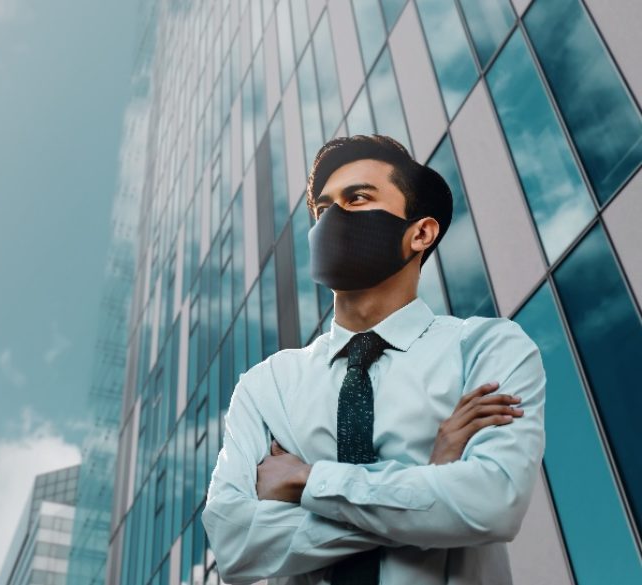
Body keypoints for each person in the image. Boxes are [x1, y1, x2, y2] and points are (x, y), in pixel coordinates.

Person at [200, 134, 546, 585]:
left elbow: (492, 504)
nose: (332, 220)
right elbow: (234, 544)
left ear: (420, 232)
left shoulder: (487, 347)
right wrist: (429, 483)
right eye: (323, 210)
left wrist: (308, 481)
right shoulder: (267, 384)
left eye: (357, 198)